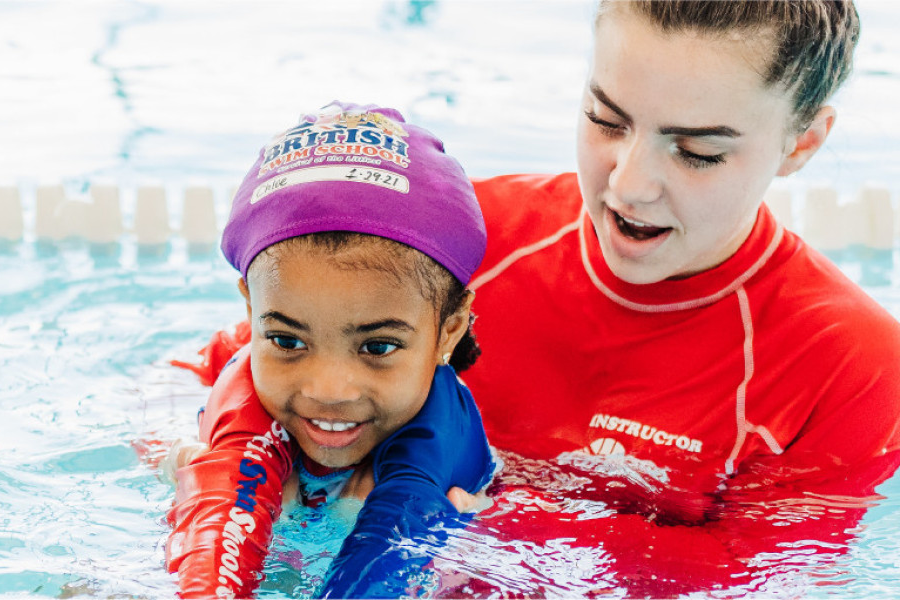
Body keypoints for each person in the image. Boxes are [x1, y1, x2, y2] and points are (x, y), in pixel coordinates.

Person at [425, 0, 900, 595]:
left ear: (801, 143)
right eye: (606, 119)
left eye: (698, 152)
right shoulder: (457, 243)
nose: (628, 185)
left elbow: (754, 573)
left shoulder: (849, 364)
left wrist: (505, 524)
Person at [164, 101, 496, 598]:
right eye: (287, 340)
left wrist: (454, 565)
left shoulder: (457, 480)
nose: (329, 390)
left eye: (377, 346)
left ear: (448, 329)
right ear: (251, 309)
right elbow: (161, 383)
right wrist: (170, 457)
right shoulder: (223, 364)